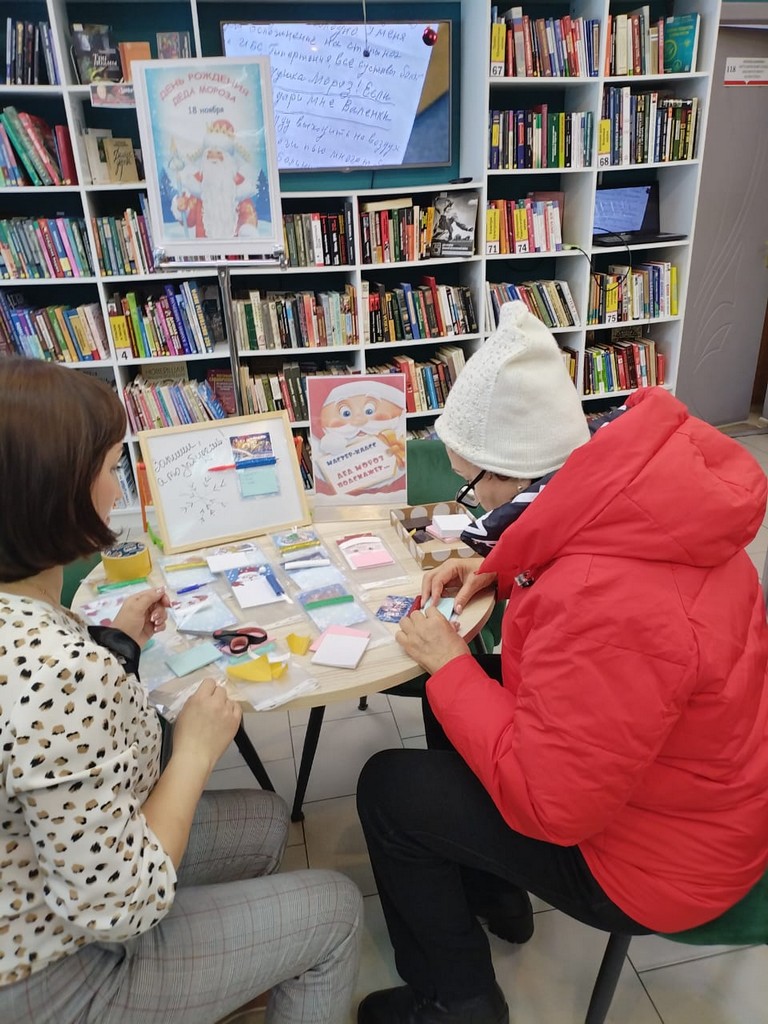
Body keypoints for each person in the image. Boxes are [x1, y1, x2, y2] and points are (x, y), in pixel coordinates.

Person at [356, 300, 768, 1024]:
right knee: (457, 698)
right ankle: (498, 896)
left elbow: (553, 806)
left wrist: (450, 665)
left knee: (389, 788)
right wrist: (496, 563)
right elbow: (574, 542)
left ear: (512, 472)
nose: (469, 500)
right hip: (699, 798)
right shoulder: (648, 506)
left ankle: (457, 1001)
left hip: (662, 864)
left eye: (470, 487)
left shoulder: (601, 601)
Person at [0, 357, 362, 1024]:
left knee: (266, 822)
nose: (116, 487)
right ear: (54, 495)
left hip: (51, 875)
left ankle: (228, 979)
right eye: (109, 468)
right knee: (337, 909)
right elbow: (120, 905)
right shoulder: (54, 669)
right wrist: (194, 749)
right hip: (48, 972)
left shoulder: (29, 621)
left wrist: (116, 642)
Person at [171, 119, 259, 239]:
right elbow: (190, 219)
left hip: (234, 247)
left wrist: (247, 229)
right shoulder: (199, 183)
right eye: (209, 154)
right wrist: (182, 207)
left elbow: (248, 213)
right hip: (204, 246)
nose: (213, 158)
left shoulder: (238, 185)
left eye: (218, 154)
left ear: (228, 159)